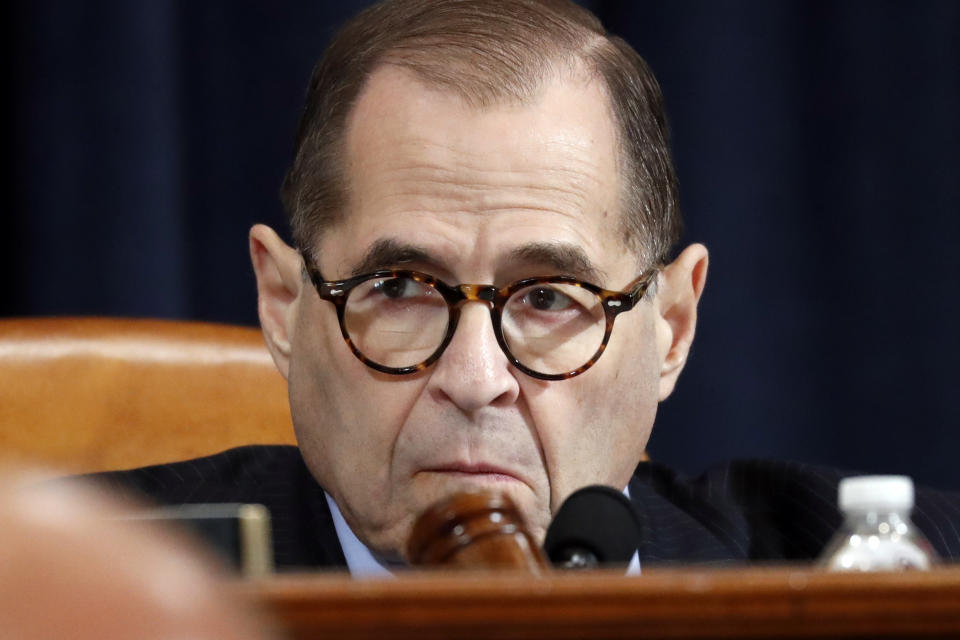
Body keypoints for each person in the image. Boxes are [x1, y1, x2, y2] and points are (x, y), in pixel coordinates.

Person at [90, 0, 960, 573]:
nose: (473, 380)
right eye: (400, 286)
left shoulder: (872, 573)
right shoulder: (73, 577)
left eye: (548, 297)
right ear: (284, 305)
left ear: (673, 328)